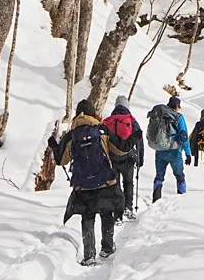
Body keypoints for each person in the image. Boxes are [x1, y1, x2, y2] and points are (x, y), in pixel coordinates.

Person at [49, 99, 126, 266]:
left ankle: (89, 255)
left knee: (88, 216)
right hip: (105, 181)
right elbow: (120, 150)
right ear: (94, 112)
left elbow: (62, 160)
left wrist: (55, 147)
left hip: (83, 184)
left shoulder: (72, 135)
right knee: (107, 212)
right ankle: (107, 248)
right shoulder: (101, 129)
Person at [103, 98, 144, 219]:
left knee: (116, 185)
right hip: (129, 158)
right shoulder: (132, 121)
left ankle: (117, 212)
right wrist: (140, 159)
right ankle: (128, 208)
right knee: (128, 183)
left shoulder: (108, 121)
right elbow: (139, 141)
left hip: (113, 158)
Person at [145, 95, 190, 202]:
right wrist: (188, 153)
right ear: (177, 106)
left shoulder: (160, 115)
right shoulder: (178, 117)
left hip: (160, 150)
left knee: (159, 176)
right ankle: (181, 199)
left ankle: (155, 200)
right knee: (179, 176)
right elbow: (184, 136)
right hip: (174, 151)